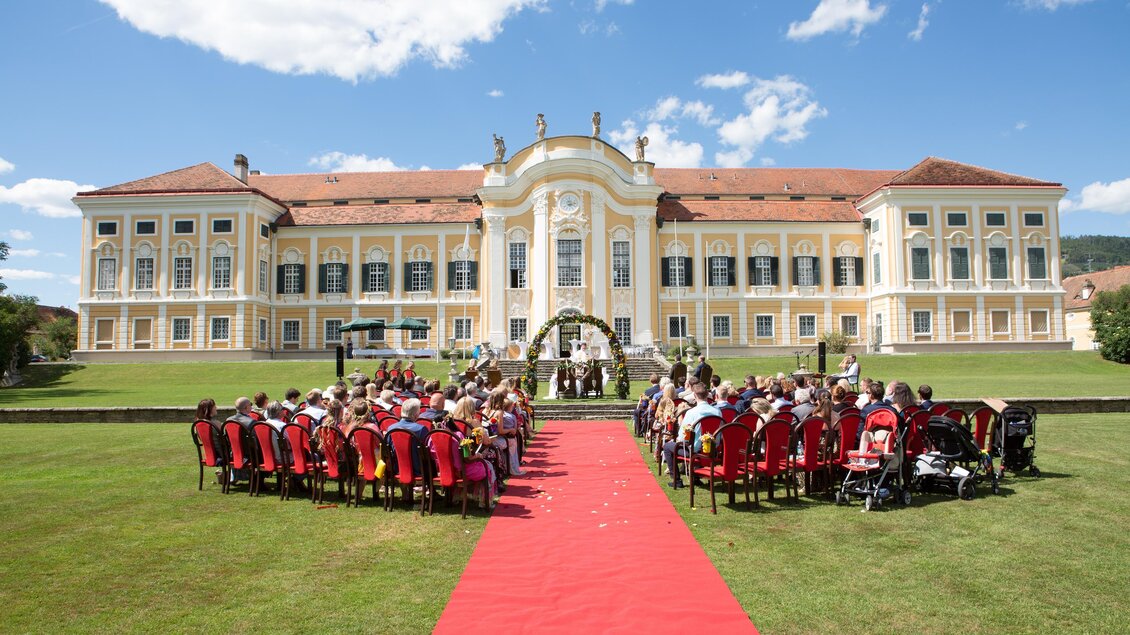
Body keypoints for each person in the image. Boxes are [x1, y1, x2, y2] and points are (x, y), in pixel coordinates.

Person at [662, 383, 721, 489]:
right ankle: (696, 477)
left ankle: (677, 480)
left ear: (694, 395)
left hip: (694, 450)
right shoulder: (717, 411)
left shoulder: (691, 413)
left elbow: (683, 437)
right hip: (712, 448)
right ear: (707, 394)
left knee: (668, 446)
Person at [485, 389, 524, 476]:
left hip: (487, 439)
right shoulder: (499, 412)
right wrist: (511, 430)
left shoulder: (485, 410)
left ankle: (507, 466)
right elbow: (500, 431)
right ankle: (513, 469)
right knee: (512, 441)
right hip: (495, 440)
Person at [387, 398, 429, 477]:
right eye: (419, 411)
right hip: (418, 470)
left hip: (397, 468)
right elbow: (427, 452)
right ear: (415, 414)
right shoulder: (421, 429)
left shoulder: (391, 428)